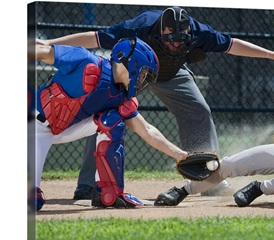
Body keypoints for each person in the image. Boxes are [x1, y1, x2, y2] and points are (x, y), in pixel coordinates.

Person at [37, 6, 274, 200]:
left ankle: (208, 177)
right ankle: (87, 185)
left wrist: (270, 54)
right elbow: (94, 38)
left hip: (172, 75)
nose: (175, 43)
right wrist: (50, 44)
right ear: (160, 29)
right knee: (103, 113)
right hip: (133, 72)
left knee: (199, 110)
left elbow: (231, 45)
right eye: (170, 38)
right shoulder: (140, 26)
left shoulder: (200, 33)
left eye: (180, 39)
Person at [32, 37, 188, 211]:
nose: (143, 79)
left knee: (113, 120)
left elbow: (147, 130)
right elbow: (39, 52)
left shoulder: (121, 96)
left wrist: (181, 155)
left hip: (62, 128)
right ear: (133, 63)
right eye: (144, 73)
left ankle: (108, 193)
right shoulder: (84, 60)